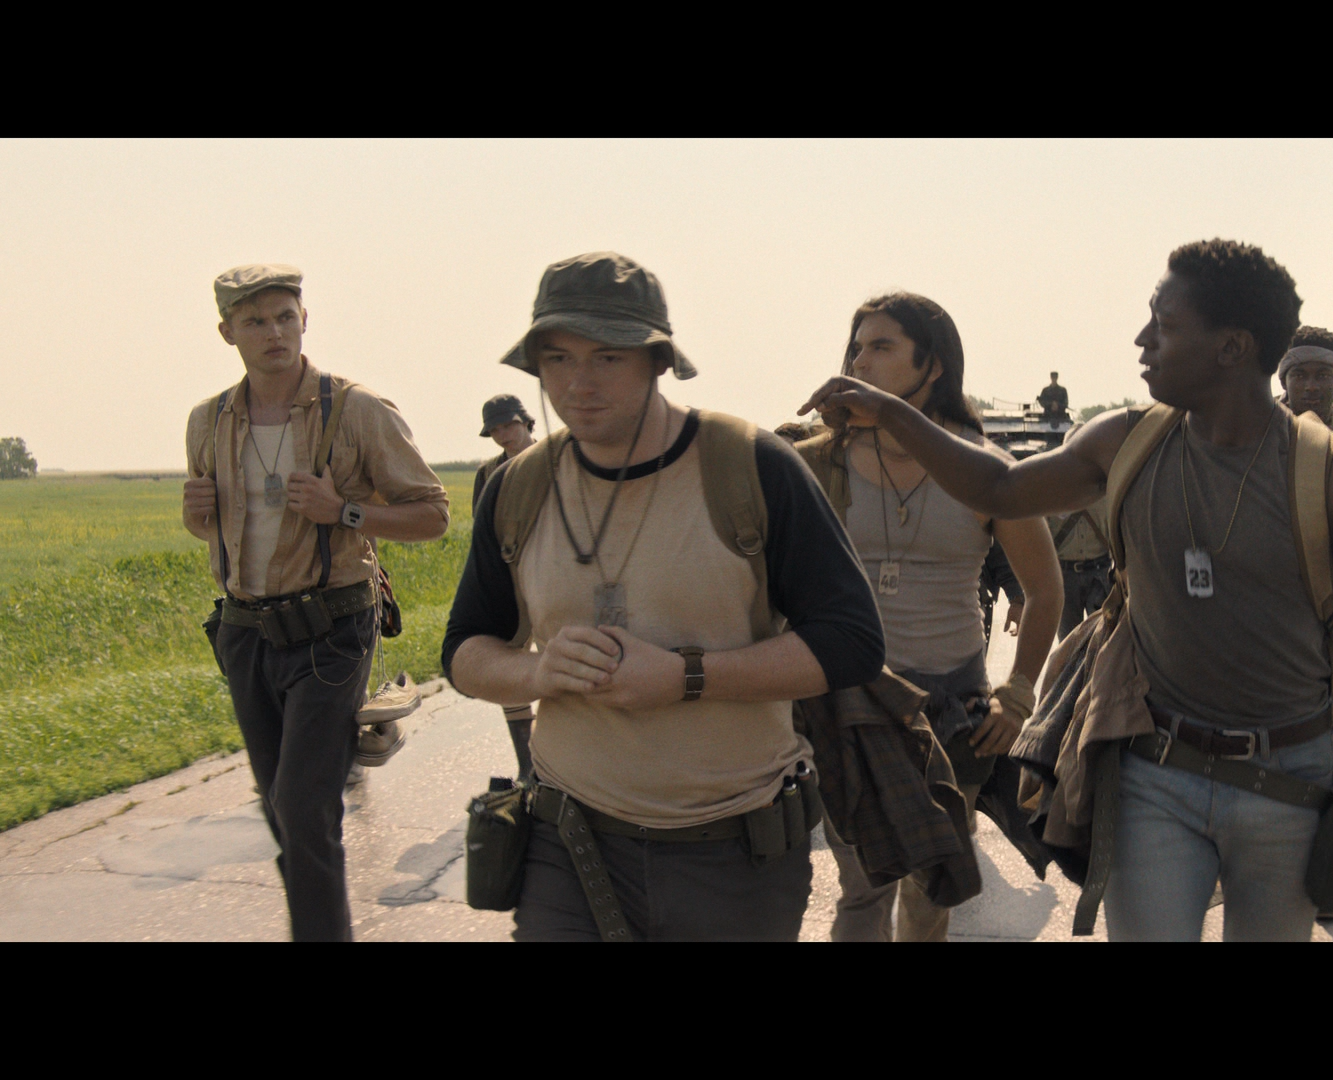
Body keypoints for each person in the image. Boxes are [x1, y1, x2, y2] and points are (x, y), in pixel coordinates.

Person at [802, 239, 1333, 941]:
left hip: (1288, 781)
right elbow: (1000, 487)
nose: (1141, 340)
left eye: (1164, 324)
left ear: (1232, 347)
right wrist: (892, 413)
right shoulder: (1123, 443)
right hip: (1154, 774)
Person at [442, 252, 884, 941]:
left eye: (607, 357)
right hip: (568, 841)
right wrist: (537, 672)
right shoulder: (517, 488)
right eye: (557, 359)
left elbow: (851, 642)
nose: (578, 383)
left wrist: (686, 676)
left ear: (658, 361)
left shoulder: (752, 466)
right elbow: (464, 651)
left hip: (734, 849)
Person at [183, 264, 450, 941]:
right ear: (227, 332)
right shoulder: (208, 421)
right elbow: (215, 531)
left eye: (284, 316)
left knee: (305, 809)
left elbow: (432, 515)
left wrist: (345, 511)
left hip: (332, 628)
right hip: (245, 631)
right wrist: (195, 517)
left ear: (304, 320)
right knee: (282, 811)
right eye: (254, 321)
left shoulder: (357, 410)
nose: (273, 332)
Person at [795, 292, 1062, 942]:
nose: (860, 361)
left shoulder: (986, 471)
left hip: (948, 707)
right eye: (856, 347)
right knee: (862, 888)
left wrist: (1017, 696)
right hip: (848, 702)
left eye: (882, 346)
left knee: (929, 893)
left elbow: (1045, 588)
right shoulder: (816, 463)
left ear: (933, 365)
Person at [469, 394, 540, 781]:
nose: (502, 434)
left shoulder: (557, 458)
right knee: (510, 665)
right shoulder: (487, 474)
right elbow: (482, 534)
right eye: (494, 429)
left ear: (526, 422)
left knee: (568, 659)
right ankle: (527, 767)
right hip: (510, 582)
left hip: (558, 577)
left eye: (508, 424)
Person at [1278, 325, 1333, 451]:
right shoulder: (1259, 436)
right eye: (1299, 376)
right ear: (1283, 382)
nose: (1311, 387)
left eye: (1323, 376)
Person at [1048, 491, 1111, 640]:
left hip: (1101, 573)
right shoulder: (1051, 489)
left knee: (1104, 639)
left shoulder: (1106, 487)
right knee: (1068, 642)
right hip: (1064, 575)